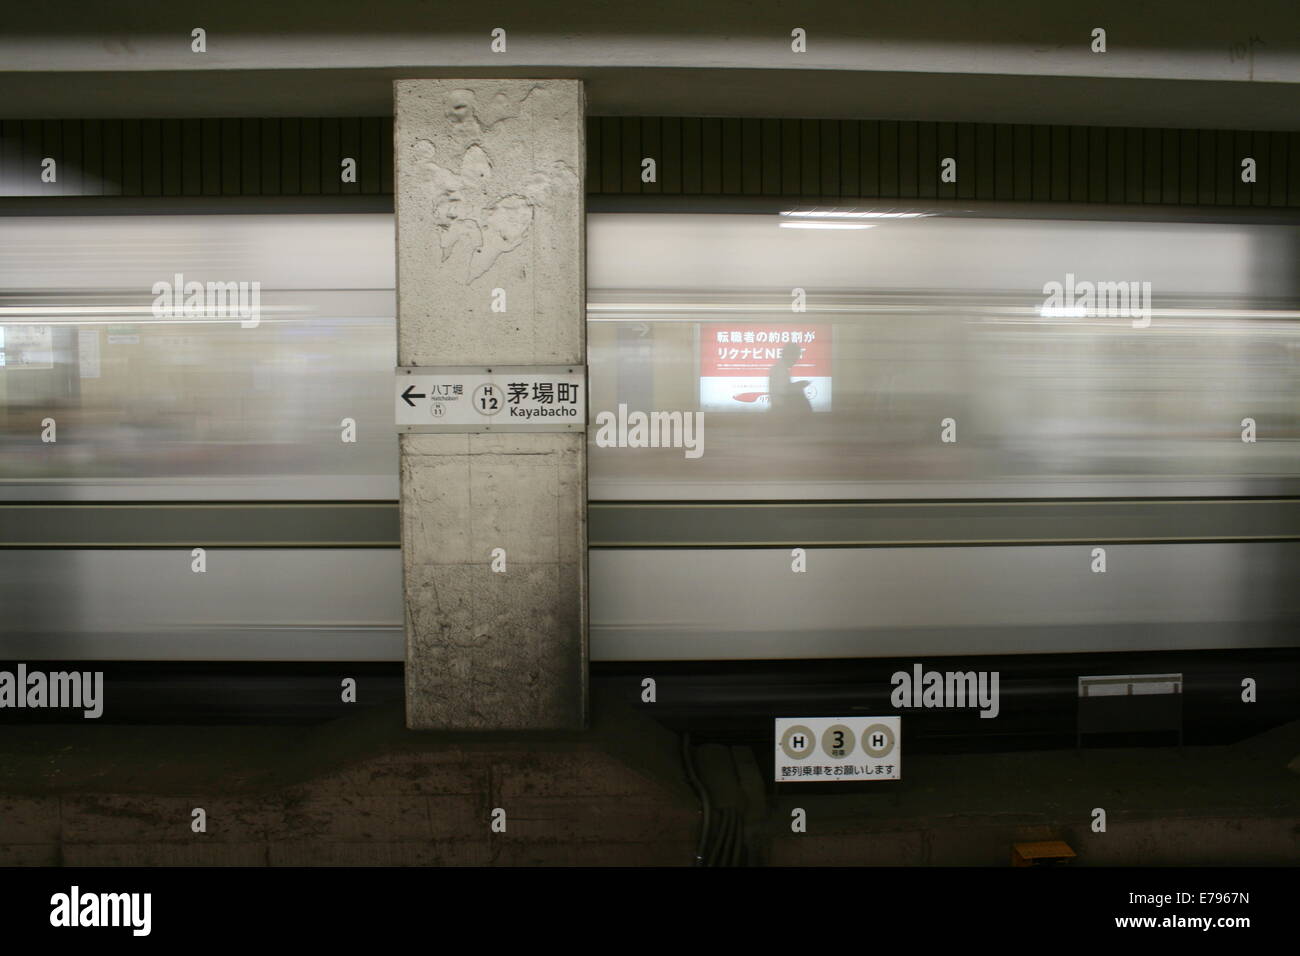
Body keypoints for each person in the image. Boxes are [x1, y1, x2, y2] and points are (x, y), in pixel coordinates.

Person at [767, 344, 813, 415]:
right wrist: (799, 385)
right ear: (789, 355)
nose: (797, 360)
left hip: (783, 410)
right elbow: (782, 391)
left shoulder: (782, 368)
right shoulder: (780, 369)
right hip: (782, 411)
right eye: (796, 356)